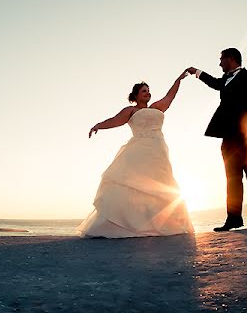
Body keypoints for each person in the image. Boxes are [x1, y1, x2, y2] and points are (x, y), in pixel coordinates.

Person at [77, 71, 195, 238]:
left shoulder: (157, 107)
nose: (148, 93)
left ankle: (165, 223)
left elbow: (170, 96)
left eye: (148, 90)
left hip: (158, 149)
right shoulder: (131, 110)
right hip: (138, 149)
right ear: (136, 95)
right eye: (144, 91)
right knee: (134, 184)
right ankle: (126, 224)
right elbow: (114, 120)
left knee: (161, 182)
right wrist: (98, 125)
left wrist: (179, 79)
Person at [188, 48, 247, 231]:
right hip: (229, 137)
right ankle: (233, 219)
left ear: (230, 59)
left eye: (221, 59)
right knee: (232, 177)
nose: (219, 63)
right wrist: (197, 72)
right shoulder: (224, 80)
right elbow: (214, 83)